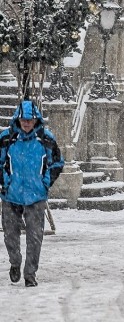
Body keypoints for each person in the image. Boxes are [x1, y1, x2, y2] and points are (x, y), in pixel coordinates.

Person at [0, 100, 64, 287]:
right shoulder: (7, 138)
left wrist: (45, 183)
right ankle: (15, 262)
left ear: (36, 120)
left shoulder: (46, 138)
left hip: (36, 195)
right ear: (17, 119)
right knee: (10, 236)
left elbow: (57, 163)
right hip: (11, 195)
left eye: (29, 120)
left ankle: (30, 274)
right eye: (23, 119)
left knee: (34, 237)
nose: (26, 123)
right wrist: (5, 182)